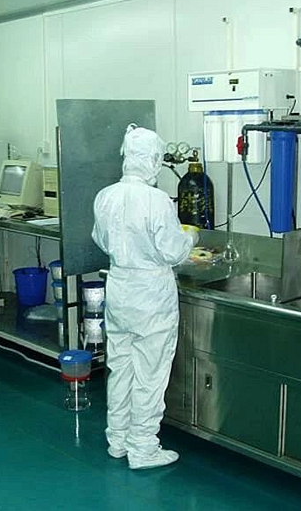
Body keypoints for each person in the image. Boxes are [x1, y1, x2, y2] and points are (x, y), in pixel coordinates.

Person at [91, 124, 198, 470]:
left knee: (120, 367)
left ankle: (118, 439)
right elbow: (173, 251)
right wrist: (190, 238)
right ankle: (143, 447)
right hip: (150, 295)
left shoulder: (105, 196)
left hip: (120, 287)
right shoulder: (157, 201)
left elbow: (101, 240)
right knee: (149, 374)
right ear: (152, 159)